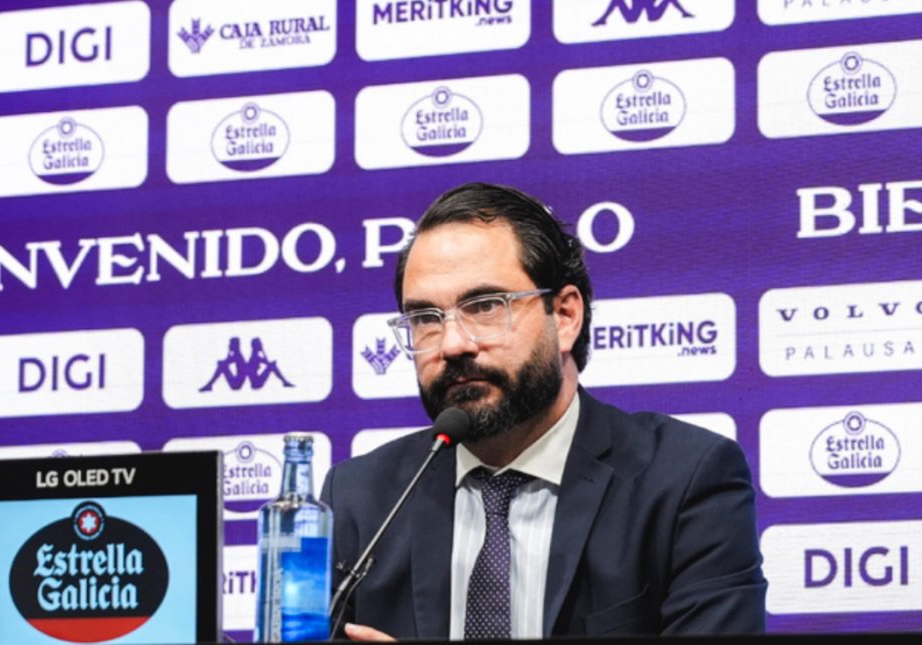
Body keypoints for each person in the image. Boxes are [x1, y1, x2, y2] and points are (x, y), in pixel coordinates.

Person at [321, 182, 767, 640]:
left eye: (485, 306)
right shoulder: (360, 499)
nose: (452, 344)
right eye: (425, 319)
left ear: (566, 316)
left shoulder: (684, 481)